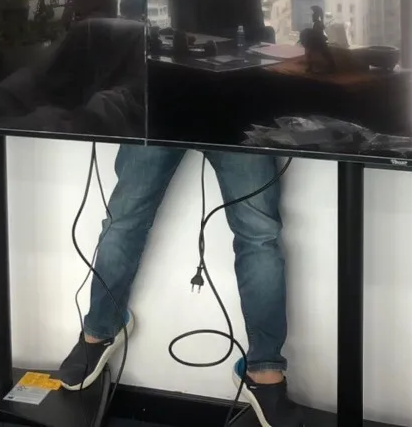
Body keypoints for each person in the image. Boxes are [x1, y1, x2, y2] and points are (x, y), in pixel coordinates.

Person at [56, 147, 303, 427]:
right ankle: (99, 330)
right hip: (161, 119)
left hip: (236, 120)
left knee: (259, 238)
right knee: (123, 221)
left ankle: (265, 370)